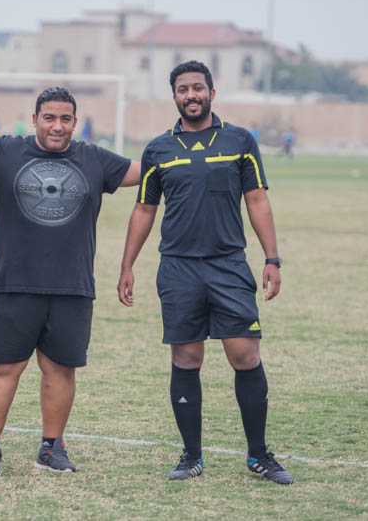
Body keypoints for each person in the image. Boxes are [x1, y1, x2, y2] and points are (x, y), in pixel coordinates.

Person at [117, 60, 293, 485]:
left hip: (228, 264)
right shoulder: (158, 149)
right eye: (183, 89)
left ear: (211, 93)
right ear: (174, 96)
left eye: (197, 87)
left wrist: (272, 258)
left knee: (245, 355)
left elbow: (257, 200)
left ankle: (258, 455)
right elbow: (144, 209)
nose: (191, 95)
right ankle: (191, 456)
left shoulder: (239, 141)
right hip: (178, 268)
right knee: (186, 358)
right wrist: (127, 265)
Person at [0, 87, 140, 477]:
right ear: (34, 120)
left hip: (72, 285)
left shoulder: (94, 158)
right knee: (3, 368)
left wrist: (179, 155)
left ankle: (51, 447)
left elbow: (147, 172)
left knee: (61, 369)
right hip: (13, 281)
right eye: (49, 118)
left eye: (65, 119)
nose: (57, 126)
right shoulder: (4, 151)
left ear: (75, 122)